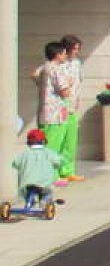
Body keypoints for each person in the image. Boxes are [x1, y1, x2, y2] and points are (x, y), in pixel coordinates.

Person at [32, 41, 71, 187]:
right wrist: (70, 83)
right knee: (53, 147)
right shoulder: (56, 69)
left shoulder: (44, 67)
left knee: (43, 146)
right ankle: (51, 177)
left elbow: (33, 75)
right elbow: (64, 91)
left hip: (44, 112)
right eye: (63, 53)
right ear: (57, 54)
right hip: (54, 114)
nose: (65, 56)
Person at [56, 35, 85, 182]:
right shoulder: (57, 64)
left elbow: (78, 83)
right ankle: (55, 173)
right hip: (59, 108)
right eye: (75, 49)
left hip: (72, 106)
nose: (77, 52)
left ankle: (67, 171)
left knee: (70, 141)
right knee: (57, 141)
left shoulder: (77, 63)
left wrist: (77, 100)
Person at [12, 129, 61, 210]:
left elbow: (15, 164)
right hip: (45, 184)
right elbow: (57, 162)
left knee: (28, 192)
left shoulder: (25, 154)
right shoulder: (48, 153)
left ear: (28, 143)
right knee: (47, 193)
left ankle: (30, 202)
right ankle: (45, 201)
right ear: (44, 141)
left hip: (28, 183)